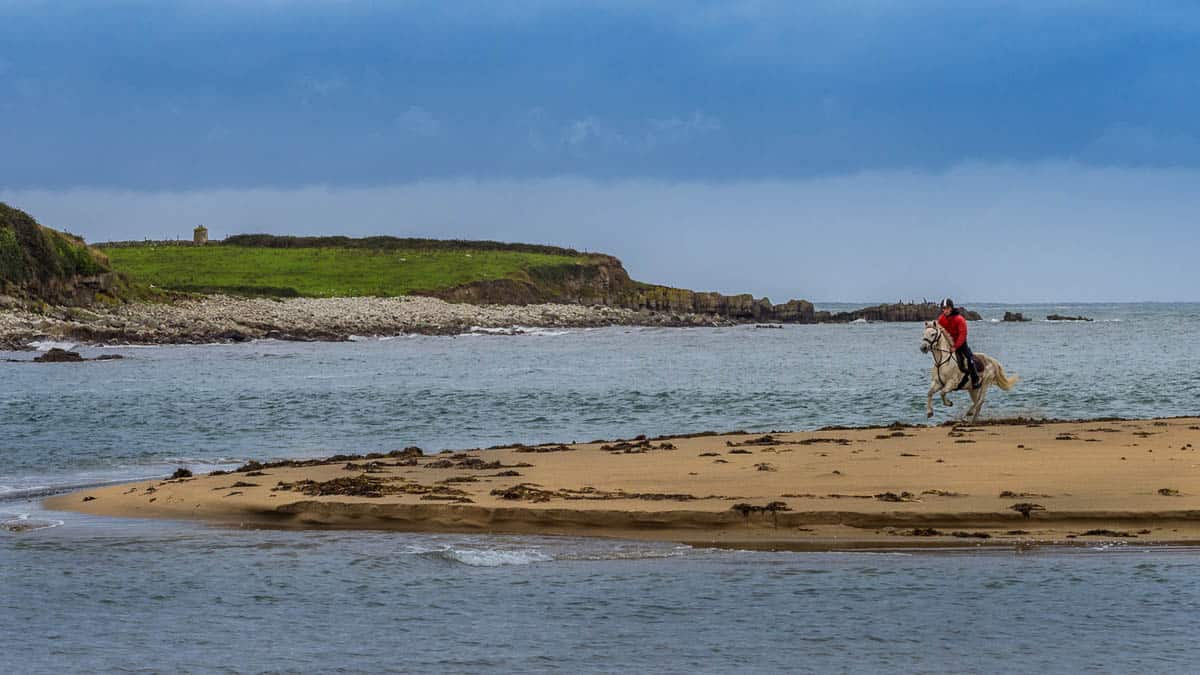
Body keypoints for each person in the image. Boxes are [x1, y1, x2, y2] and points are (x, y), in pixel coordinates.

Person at [937, 298, 980, 388]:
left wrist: (955, 347)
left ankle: (975, 380)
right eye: (943, 308)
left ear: (951, 308)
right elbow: (939, 332)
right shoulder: (941, 319)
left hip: (961, 344)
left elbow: (962, 335)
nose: (945, 310)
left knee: (969, 359)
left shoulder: (960, 319)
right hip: (948, 343)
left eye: (947, 308)